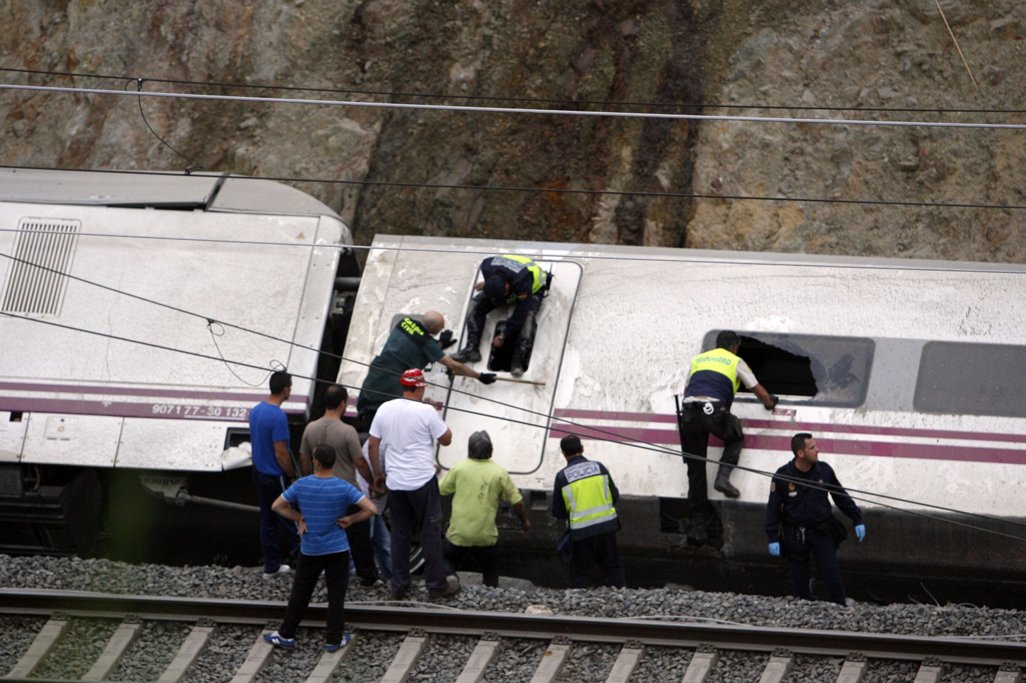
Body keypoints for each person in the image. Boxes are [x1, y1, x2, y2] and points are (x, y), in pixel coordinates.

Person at [264, 445, 378, 651]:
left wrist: (299, 517)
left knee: (301, 592)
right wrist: (351, 519)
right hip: (338, 549)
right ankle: (334, 639)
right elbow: (372, 509)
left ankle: (286, 634)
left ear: (316, 462)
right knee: (336, 595)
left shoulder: (302, 485)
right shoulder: (343, 487)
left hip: (311, 549)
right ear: (332, 462)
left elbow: (276, 506)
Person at [677, 330, 778, 546]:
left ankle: (699, 530)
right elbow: (757, 388)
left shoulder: (699, 359)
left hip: (688, 414)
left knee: (695, 470)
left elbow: (688, 388)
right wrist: (770, 403)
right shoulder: (735, 360)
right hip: (712, 412)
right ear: (734, 347)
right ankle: (722, 477)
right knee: (735, 436)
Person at [367, 368, 460, 601]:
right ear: (420, 387)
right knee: (430, 532)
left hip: (396, 482)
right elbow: (446, 440)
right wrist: (435, 415)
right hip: (421, 481)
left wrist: (378, 475)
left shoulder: (385, 409)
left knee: (399, 533)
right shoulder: (427, 411)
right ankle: (436, 585)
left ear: (403, 386)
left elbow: (372, 445)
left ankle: (399, 585)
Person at [765, 432, 866, 605]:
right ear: (800, 453)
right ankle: (804, 607)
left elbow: (840, 496)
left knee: (830, 571)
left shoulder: (824, 471)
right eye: (812, 448)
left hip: (821, 531)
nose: (817, 450)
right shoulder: (783, 475)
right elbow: (773, 508)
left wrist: (857, 518)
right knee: (799, 576)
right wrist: (772, 536)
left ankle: (839, 605)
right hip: (795, 534)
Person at [356, 311, 495, 430]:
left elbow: (411, 343)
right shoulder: (427, 343)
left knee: (370, 408)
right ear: (433, 328)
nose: (440, 330)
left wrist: (439, 345)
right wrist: (479, 376)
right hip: (393, 382)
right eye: (440, 328)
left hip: (377, 372)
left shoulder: (404, 322)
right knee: (384, 417)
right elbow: (455, 365)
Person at [300, 384, 379, 586]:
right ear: (343, 403)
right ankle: (367, 576)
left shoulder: (310, 428)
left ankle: (325, 574)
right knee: (359, 536)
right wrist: (372, 481)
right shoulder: (348, 431)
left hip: (320, 489)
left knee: (324, 533)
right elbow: (359, 462)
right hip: (346, 491)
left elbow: (304, 458)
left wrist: (310, 481)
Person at [439, 430, 531, 587]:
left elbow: (441, 490)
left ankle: (449, 576)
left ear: (469, 449)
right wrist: (525, 522)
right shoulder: (499, 473)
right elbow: (518, 503)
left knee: (445, 558)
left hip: (458, 534)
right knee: (490, 566)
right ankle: (490, 591)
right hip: (485, 536)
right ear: (491, 450)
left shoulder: (458, 469)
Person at [451, 254, 549, 377]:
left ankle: (519, 360)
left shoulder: (522, 281)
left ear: (507, 287)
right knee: (475, 306)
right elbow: (493, 283)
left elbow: (520, 314)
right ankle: (472, 349)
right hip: (504, 282)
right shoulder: (486, 266)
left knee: (527, 318)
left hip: (533, 288)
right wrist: (488, 285)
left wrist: (503, 335)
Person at [550, 434, 625, 588]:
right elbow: (615, 497)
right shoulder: (599, 467)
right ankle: (620, 594)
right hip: (607, 527)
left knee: (578, 572)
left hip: (580, 533)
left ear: (563, 454)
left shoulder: (562, 477)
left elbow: (557, 512)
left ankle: (580, 604)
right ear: (582, 449)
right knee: (613, 566)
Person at [249, 370, 300, 577]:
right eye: (290, 387)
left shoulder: (256, 410)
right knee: (290, 519)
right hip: (275, 474)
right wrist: (291, 473)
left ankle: (271, 566)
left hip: (258, 471)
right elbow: (281, 452)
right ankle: (306, 561)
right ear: (285, 389)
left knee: (268, 520)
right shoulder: (278, 416)